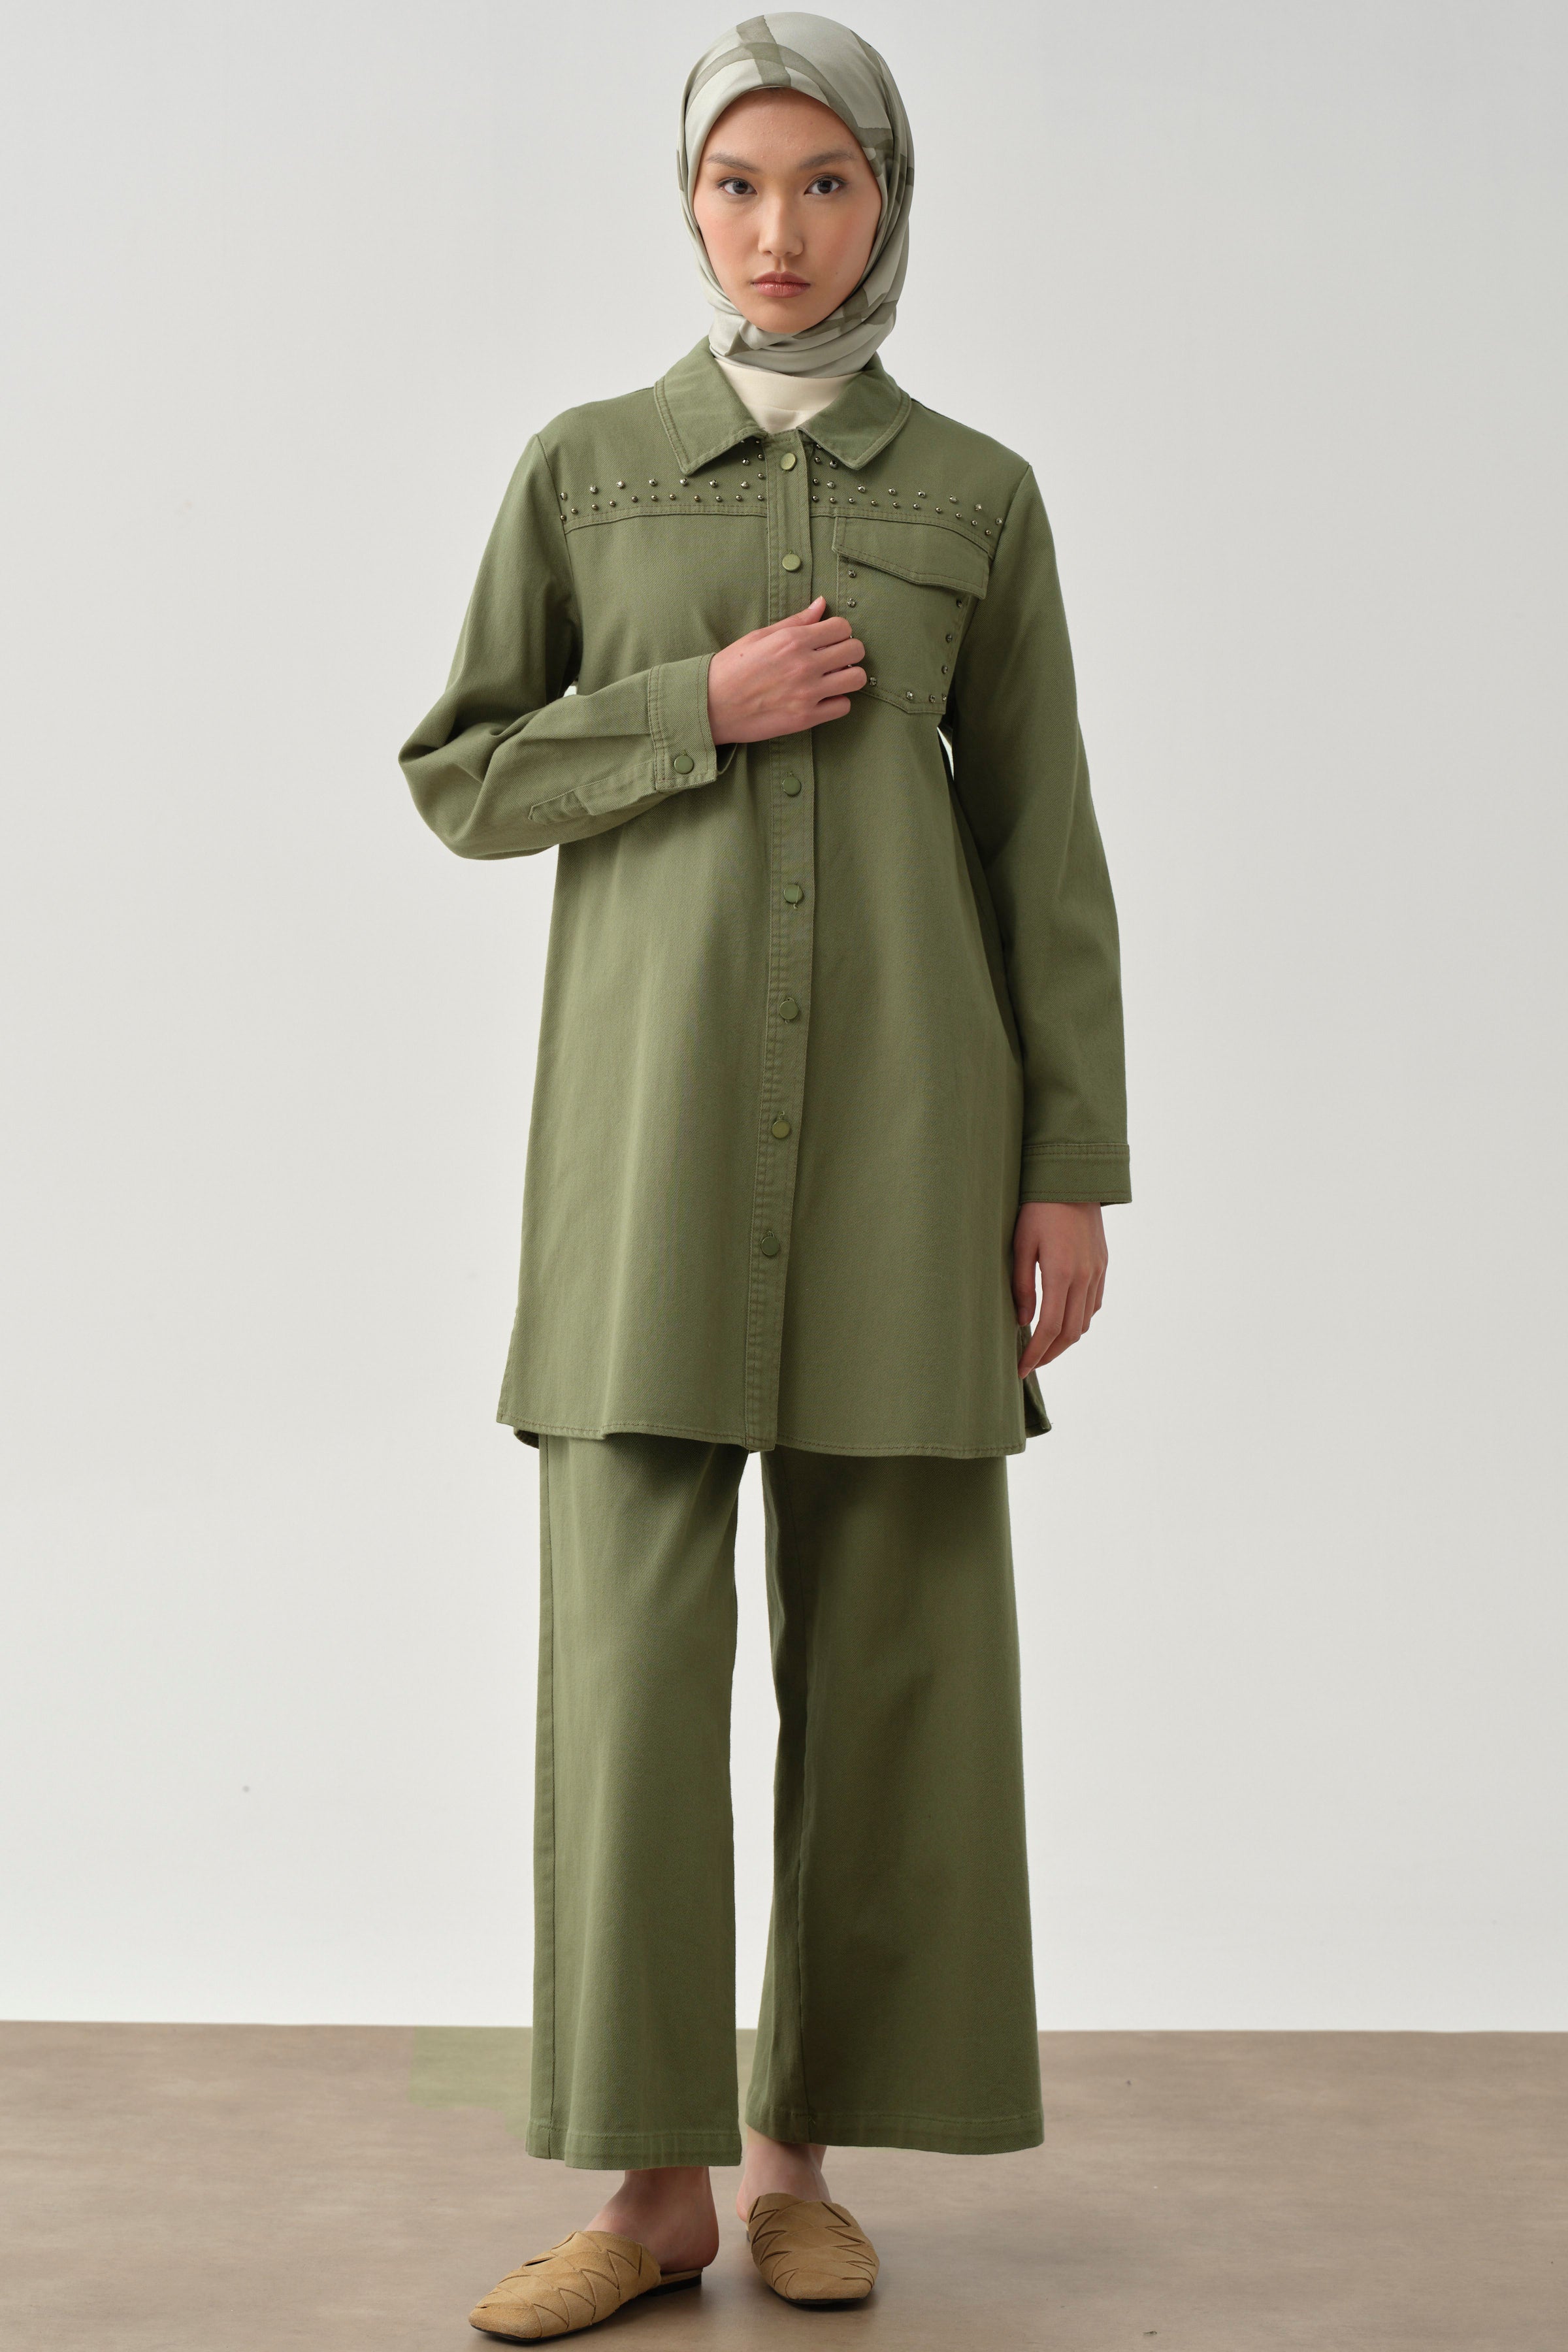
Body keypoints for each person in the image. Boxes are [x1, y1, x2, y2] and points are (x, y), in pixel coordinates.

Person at [400, 12, 1129, 2338]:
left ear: (888, 199)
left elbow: (1045, 850)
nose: (780, 230)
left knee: (893, 1658)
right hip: (646, 1157)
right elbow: (460, 776)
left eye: (827, 182)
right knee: (631, 1671)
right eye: (739, 183)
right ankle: (652, 2193)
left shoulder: (978, 497)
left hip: (918, 1150)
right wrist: (684, 712)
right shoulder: (588, 474)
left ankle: (806, 2165)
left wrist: (1067, 1166)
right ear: (687, 201)